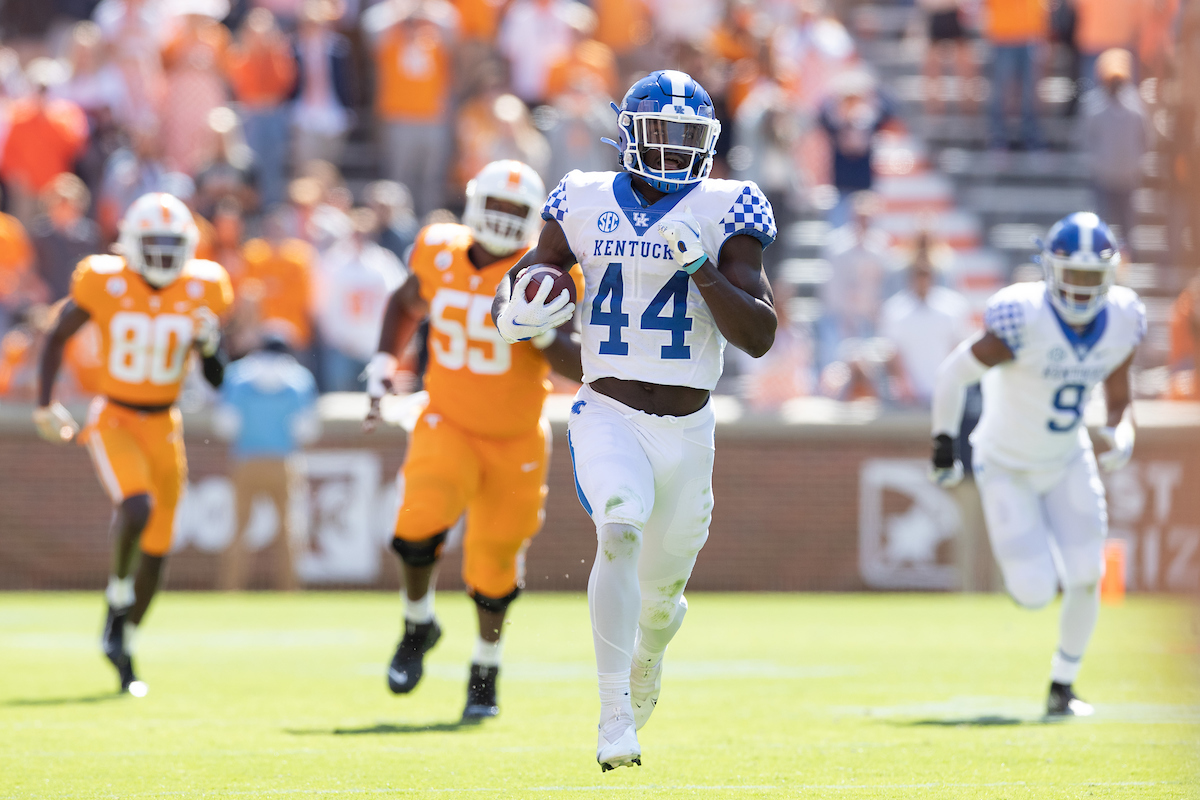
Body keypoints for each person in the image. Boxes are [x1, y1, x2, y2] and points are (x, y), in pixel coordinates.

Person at [490, 71, 777, 769]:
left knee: (661, 599)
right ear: (630, 136)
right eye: (663, 137)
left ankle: (649, 651)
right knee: (617, 529)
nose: (677, 153)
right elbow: (528, 283)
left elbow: (761, 334)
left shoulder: (728, 205)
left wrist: (703, 270)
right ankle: (613, 716)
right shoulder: (582, 197)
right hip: (607, 410)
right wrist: (511, 316)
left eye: (689, 140)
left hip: (687, 428)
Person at [362, 160, 584, 720]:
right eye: (498, 205)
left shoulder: (549, 270)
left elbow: (579, 363)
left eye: (517, 211)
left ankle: (486, 668)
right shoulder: (438, 250)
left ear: (536, 219)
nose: (505, 219)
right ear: (472, 201)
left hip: (515, 438)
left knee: (495, 563)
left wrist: (542, 330)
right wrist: (386, 362)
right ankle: (418, 625)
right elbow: (406, 300)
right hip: (447, 421)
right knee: (415, 526)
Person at [929, 212, 1145, 716]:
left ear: (1111, 275)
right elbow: (952, 375)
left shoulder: (1122, 318)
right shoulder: (1021, 318)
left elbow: (1118, 397)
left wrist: (1122, 431)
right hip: (1004, 464)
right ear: (1049, 271)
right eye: (1075, 276)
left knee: (1088, 574)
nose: (1083, 289)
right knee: (1033, 592)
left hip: (1067, 458)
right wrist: (942, 443)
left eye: (1094, 278)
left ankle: (1062, 687)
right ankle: (1035, 559)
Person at [33, 192, 233, 693]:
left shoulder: (203, 288)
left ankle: (123, 637)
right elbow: (57, 335)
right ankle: (117, 596)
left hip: (165, 424)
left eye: (172, 245)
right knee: (137, 506)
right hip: (116, 417)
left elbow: (216, 378)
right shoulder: (105, 280)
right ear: (131, 244)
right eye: (153, 244)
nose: (164, 255)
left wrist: (210, 348)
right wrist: (44, 401)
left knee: (159, 550)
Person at [213, 334, 320, 591]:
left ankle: (231, 589)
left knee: (239, 529)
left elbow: (226, 426)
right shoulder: (299, 380)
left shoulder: (237, 377)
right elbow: (307, 431)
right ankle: (289, 589)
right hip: (283, 462)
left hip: (246, 461)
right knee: (288, 530)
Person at [878, 240, 973, 405]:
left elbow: (958, 347)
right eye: (918, 274)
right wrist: (904, 383)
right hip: (910, 396)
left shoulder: (953, 307)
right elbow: (891, 351)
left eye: (926, 274)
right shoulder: (894, 309)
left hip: (943, 391)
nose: (922, 279)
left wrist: (950, 381)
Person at [1079, 48, 1147, 259]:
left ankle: (1129, 261)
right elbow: (1085, 138)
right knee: (1103, 223)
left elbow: (1146, 138)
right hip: (1105, 176)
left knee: (1127, 223)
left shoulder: (1135, 105)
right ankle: (1103, 258)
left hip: (1126, 175)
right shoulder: (1094, 105)